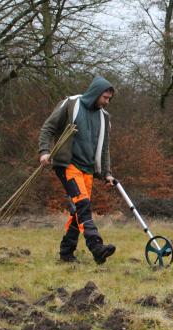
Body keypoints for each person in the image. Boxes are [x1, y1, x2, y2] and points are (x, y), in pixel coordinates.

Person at [39, 75, 117, 264]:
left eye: (109, 99)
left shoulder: (104, 117)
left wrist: (106, 173)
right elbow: (48, 127)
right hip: (68, 165)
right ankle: (96, 247)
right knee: (83, 205)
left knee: (79, 212)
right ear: (96, 93)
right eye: (105, 98)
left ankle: (66, 252)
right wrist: (44, 151)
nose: (107, 102)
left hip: (88, 169)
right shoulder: (71, 104)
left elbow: (104, 147)